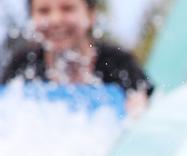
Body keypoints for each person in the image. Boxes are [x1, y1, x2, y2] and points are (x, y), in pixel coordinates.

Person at [1, 0, 152, 115]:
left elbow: (147, 108)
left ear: (91, 15)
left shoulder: (118, 64)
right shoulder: (22, 66)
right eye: (44, 11)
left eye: (67, 8)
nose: (55, 20)